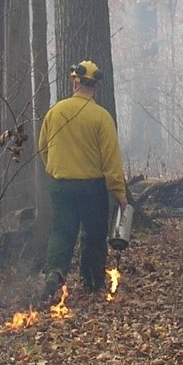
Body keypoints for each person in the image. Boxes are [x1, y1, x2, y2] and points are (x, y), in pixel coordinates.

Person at [37, 60, 128, 301]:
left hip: (61, 185)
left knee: (61, 231)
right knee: (93, 234)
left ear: (75, 82)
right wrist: (118, 191)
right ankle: (91, 282)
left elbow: (43, 147)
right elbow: (111, 158)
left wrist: (56, 170)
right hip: (92, 187)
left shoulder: (55, 112)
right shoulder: (101, 117)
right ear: (96, 87)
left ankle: (55, 273)